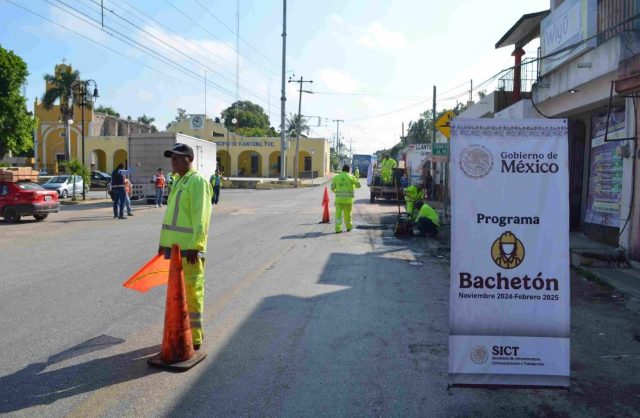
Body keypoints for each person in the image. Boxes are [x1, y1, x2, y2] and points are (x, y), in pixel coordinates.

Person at [158, 143, 212, 350]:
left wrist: (196, 246)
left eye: (176, 158)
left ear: (188, 159)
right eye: (171, 158)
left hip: (190, 251)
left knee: (192, 293)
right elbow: (172, 217)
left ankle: (195, 337)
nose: (173, 161)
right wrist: (163, 244)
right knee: (177, 294)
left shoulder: (197, 181)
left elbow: (201, 217)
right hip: (175, 249)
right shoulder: (179, 181)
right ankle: (181, 331)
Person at [330, 164, 361, 233]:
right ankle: (349, 227)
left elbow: (332, 188)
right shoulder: (351, 177)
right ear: (349, 170)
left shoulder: (336, 177)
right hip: (348, 201)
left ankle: (338, 229)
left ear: (342, 169)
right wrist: (354, 185)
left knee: (338, 215)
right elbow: (358, 185)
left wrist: (336, 192)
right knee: (348, 215)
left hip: (339, 201)